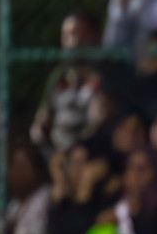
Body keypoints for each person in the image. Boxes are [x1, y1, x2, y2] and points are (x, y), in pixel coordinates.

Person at [31, 11, 105, 154]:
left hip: (90, 151)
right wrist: (39, 128)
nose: (71, 42)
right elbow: (43, 115)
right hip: (56, 152)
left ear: (95, 37)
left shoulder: (104, 75)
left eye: (77, 34)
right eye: (66, 36)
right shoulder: (58, 76)